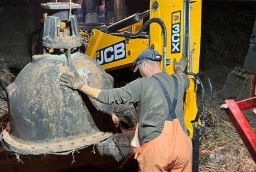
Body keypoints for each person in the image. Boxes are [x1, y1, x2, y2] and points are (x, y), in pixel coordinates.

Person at [60, 49, 192, 172]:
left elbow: (109, 96)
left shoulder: (142, 84)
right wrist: (179, 70)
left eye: (139, 69)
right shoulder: (178, 80)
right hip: (183, 147)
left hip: (158, 149)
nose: (139, 72)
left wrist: (81, 86)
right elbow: (185, 79)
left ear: (144, 64)